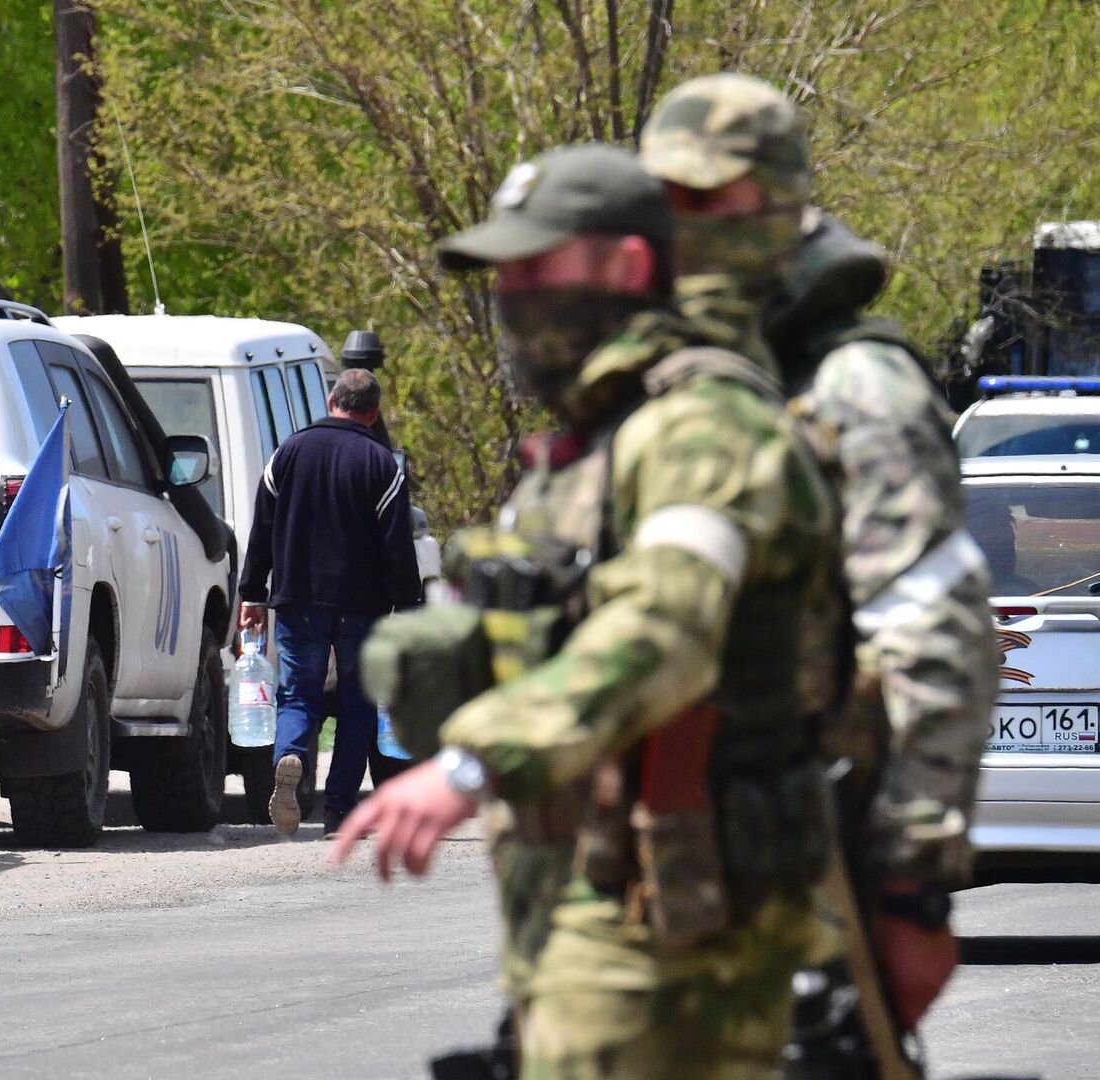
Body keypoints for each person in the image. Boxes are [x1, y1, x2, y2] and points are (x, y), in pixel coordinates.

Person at [333, 142, 844, 1079]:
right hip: (575, 912)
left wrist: (471, 761)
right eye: (504, 273)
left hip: (679, 925)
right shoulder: (582, 452)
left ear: (630, 266)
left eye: (539, 265)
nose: (514, 294)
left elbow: (668, 630)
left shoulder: (703, 428)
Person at [639, 73, 998, 1036]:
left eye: (715, 199)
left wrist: (915, 889)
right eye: (671, 201)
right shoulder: (672, 378)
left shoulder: (852, 384)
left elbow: (933, 629)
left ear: (785, 200)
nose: (689, 227)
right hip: (660, 860)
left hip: (806, 862)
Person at [238, 367, 423, 837]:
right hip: (364, 605)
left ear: (330, 400)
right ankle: (340, 810)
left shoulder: (288, 454)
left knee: (298, 694)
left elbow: (261, 529)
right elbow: (397, 545)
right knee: (359, 702)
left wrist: (251, 594)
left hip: (298, 599)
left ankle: (291, 756)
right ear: (373, 412)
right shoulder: (382, 464)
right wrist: (408, 606)